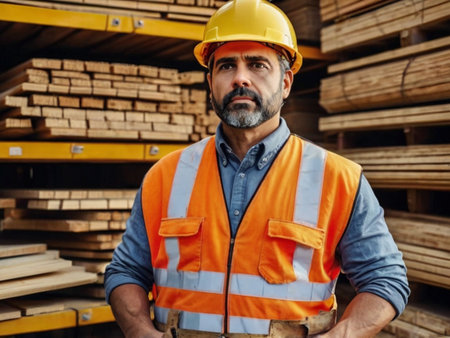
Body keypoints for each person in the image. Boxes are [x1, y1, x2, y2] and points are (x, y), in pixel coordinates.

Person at [104, 0, 410, 337]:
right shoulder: (165, 176)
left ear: (287, 82)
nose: (240, 79)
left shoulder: (338, 179)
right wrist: (140, 332)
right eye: (225, 67)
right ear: (210, 82)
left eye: (257, 65)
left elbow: (385, 279)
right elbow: (126, 271)